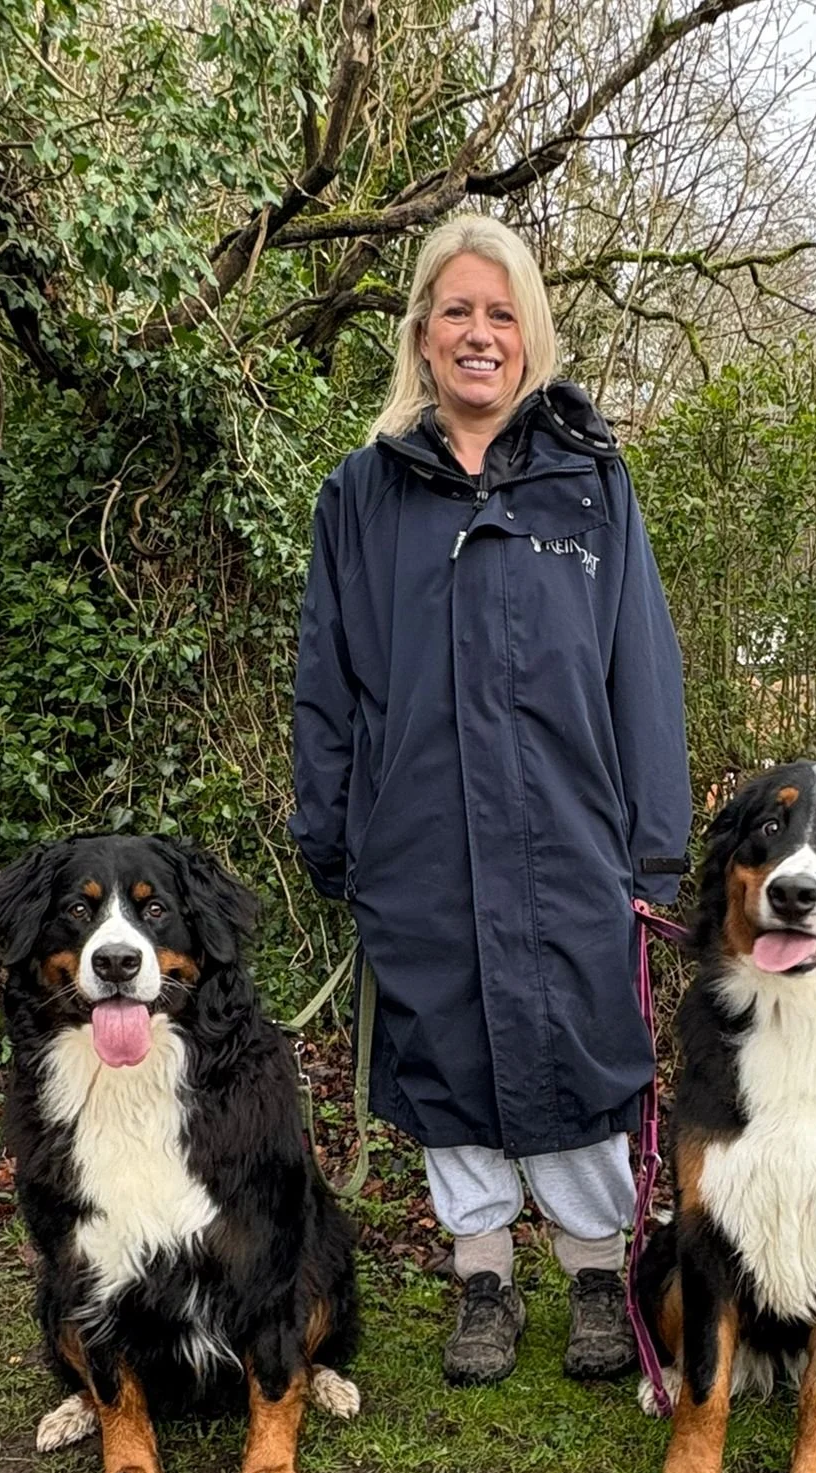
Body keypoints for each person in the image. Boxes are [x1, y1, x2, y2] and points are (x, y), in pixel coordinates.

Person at [291, 214, 690, 1387]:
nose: (480, 333)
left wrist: (652, 855)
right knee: (449, 1059)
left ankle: (593, 1273)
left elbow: (642, 674)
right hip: (417, 843)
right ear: (420, 334)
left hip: (575, 841)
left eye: (501, 313)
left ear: (531, 336)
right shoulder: (357, 500)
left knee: (582, 1053)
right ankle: (482, 1278)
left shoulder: (591, 486)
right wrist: (333, 835)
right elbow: (328, 684)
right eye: (458, 311)